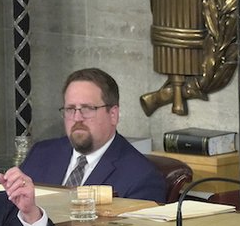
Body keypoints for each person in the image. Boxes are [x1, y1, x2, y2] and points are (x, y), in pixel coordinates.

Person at [21, 67, 167, 202]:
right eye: (70, 109)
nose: (77, 118)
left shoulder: (141, 177)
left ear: (113, 115)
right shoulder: (41, 154)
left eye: (88, 108)